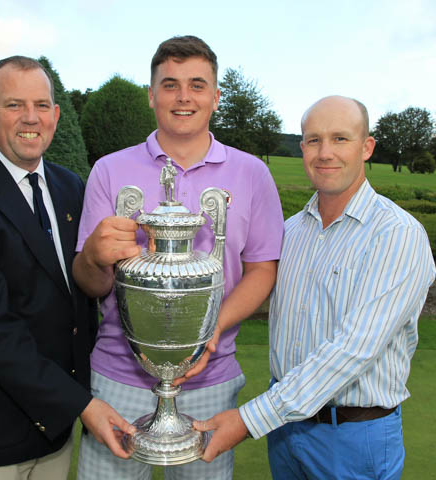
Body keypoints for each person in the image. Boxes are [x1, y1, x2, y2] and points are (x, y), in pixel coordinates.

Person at [72, 35, 284, 480]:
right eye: (170, 85)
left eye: (197, 85)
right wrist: (92, 257)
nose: (183, 96)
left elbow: (263, 270)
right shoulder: (109, 170)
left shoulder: (252, 173)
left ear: (215, 96)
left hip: (211, 380)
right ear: (151, 95)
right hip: (118, 378)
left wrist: (211, 331)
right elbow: (92, 284)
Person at [193, 95, 436, 479]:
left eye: (340, 138)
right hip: (286, 430)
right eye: (314, 140)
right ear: (302, 147)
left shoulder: (397, 234)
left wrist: (249, 419)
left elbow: (354, 347)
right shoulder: (289, 232)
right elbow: (247, 287)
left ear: (366, 147)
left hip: (354, 437)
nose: (325, 153)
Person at [0, 55, 134, 480]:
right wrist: (82, 404)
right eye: (14, 105)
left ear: (56, 115)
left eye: (41, 105)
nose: (30, 118)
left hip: (55, 431)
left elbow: (79, 299)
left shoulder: (71, 187)